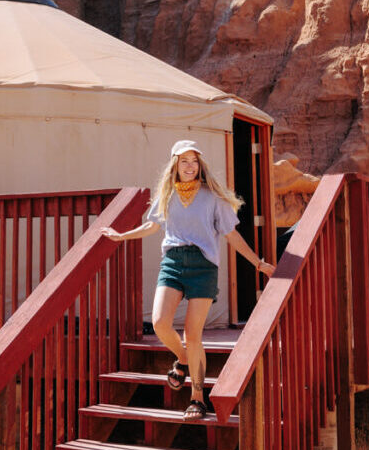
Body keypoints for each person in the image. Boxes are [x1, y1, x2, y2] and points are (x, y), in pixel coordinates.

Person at [101, 140, 274, 420]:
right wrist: (122, 236)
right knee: (159, 323)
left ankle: (197, 397)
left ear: (200, 165)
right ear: (175, 165)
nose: (190, 166)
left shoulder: (212, 197)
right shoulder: (167, 195)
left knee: (193, 335)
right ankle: (182, 358)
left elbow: (231, 235)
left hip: (203, 266)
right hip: (173, 262)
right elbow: (152, 225)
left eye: (194, 161)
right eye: (184, 161)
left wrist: (258, 263)